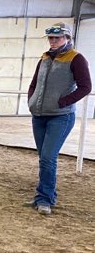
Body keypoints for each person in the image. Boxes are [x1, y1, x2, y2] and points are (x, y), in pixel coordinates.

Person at [26, 22, 91, 215]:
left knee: (48, 157)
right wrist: (31, 100)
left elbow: (85, 86)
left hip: (60, 117)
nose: (53, 41)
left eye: (57, 37)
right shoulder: (44, 58)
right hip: (39, 115)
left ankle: (45, 198)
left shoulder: (76, 59)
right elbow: (35, 82)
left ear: (67, 38)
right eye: (51, 38)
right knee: (44, 157)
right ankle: (45, 195)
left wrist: (64, 102)